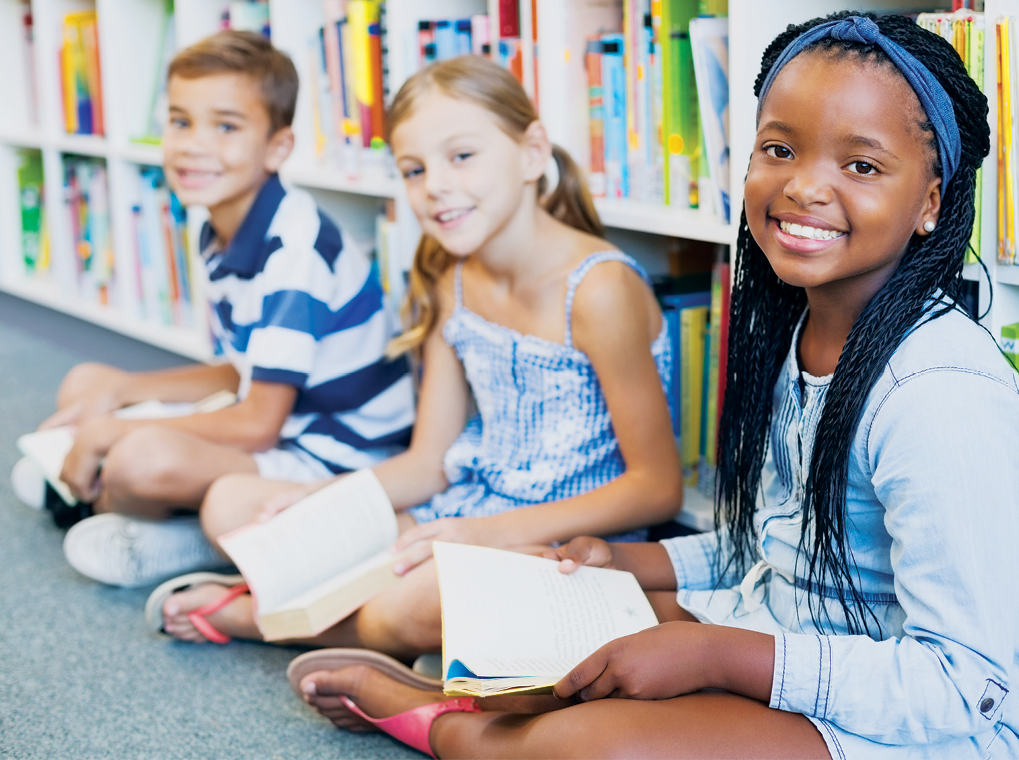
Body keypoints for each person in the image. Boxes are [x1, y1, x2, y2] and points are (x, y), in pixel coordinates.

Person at [289, 13, 1019, 760]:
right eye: (778, 149)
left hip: (915, 721)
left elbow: (967, 686)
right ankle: (472, 706)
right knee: (547, 631)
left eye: (860, 166)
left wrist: (716, 657)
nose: (803, 186)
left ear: (931, 200)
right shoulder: (802, 332)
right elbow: (774, 552)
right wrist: (626, 560)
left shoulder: (938, 395)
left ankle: (451, 727)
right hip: (787, 633)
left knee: (597, 748)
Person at [151, 55, 683, 648]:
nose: (435, 187)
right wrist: (319, 500)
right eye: (413, 169)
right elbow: (427, 462)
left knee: (415, 599)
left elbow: (656, 487)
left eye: (462, 156)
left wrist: (486, 533)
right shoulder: (450, 281)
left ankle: (249, 616)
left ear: (532, 152)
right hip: (464, 506)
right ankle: (379, 627)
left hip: (566, 538)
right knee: (236, 504)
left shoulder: (599, 288)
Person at [13, 31, 414, 588]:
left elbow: (258, 423)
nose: (194, 145)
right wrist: (119, 395)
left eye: (226, 126)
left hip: (331, 455)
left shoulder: (294, 251)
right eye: (180, 122)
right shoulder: (217, 225)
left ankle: (188, 539)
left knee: (139, 460)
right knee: (88, 381)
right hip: (278, 418)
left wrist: (110, 434)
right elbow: (247, 367)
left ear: (277, 147)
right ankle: (118, 500)